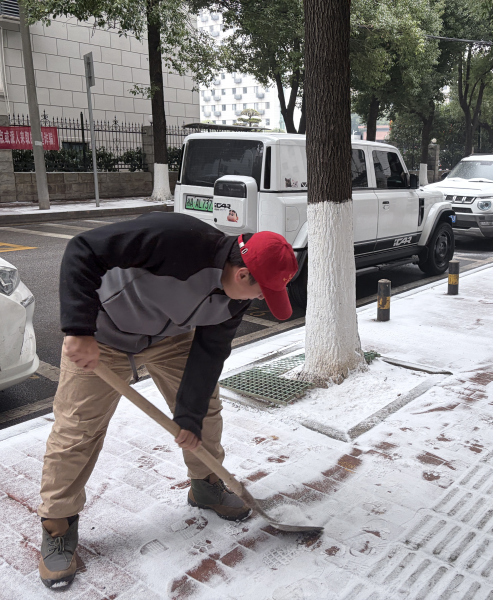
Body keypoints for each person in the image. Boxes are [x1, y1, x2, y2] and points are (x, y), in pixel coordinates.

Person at [36, 212, 297, 588]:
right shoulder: (177, 238)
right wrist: (79, 329)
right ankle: (57, 526)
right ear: (242, 273)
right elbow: (83, 250)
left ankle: (206, 484)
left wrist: (188, 419)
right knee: (77, 429)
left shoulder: (234, 300)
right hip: (102, 335)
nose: (260, 300)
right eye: (262, 291)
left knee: (205, 411)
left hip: (168, 340)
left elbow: (209, 354)